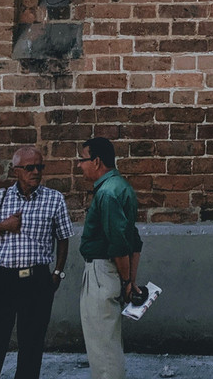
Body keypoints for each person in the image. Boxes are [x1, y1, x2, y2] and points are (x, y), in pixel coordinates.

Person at [0, 146, 73, 379]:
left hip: (37, 280)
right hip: (3, 280)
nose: (36, 172)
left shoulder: (54, 199)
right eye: (29, 168)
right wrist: (4, 226)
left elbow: (63, 238)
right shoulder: (0, 197)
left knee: (32, 344)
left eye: (40, 167)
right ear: (15, 170)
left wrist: (57, 273)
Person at [78, 137, 144, 379]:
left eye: (82, 159)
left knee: (102, 345)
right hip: (110, 272)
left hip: (101, 272)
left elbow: (118, 245)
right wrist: (130, 280)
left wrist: (127, 281)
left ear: (96, 161)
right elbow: (133, 240)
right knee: (108, 340)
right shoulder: (122, 187)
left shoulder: (107, 193)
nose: (79, 165)